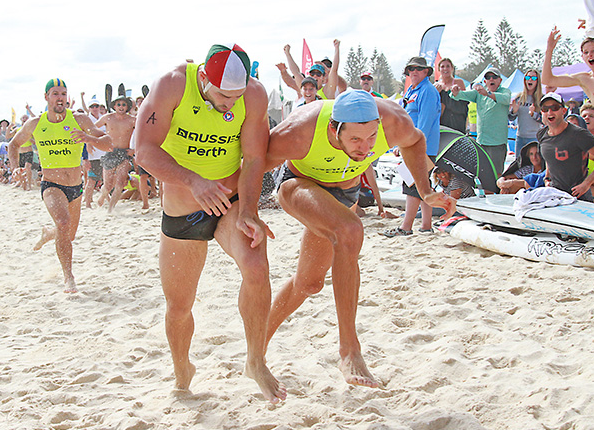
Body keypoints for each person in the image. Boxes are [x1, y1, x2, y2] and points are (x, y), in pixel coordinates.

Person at [264, 90, 456, 388]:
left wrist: (425, 189)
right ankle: (349, 350)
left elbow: (416, 140)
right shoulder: (299, 129)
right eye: (355, 140)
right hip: (297, 184)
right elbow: (251, 163)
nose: (365, 147)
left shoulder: (392, 122)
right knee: (350, 229)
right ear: (333, 129)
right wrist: (244, 212)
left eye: (370, 138)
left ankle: (256, 346)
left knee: (309, 283)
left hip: (344, 193)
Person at [134, 43, 286, 404]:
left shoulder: (253, 95)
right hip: (183, 208)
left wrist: (249, 210)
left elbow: (252, 158)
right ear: (203, 77)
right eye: (223, 96)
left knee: (255, 262)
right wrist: (193, 181)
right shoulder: (171, 86)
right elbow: (143, 150)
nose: (231, 104)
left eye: (237, 96)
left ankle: (255, 359)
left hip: (230, 201)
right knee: (180, 304)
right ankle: (182, 367)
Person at [8, 78, 113, 293]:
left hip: (75, 186)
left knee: (68, 234)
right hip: (51, 184)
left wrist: (88, 138)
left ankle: (49, 234)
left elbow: (109, 142)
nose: (60, 98)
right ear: (46, 97)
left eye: (63, 94)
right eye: (55, 93)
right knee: (64, 223)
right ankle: (69, 277)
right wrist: (14, 168)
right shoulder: (36, 124)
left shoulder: (80, 120)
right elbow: (14, 144)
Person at [384, 57, 440, 237]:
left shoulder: (428, 91)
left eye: (418, 69)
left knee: (413, 184)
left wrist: (411, 143)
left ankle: (406, 227)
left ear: (426, 72)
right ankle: (426, 225)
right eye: (410, 69)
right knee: (424, 184)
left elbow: (425, 121)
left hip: (421, 145)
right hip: (413, 143)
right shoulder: (411, 90)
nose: (413, 72)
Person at [536, 92, 594, 201]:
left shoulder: (578, 134)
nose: (550, 112)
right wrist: (547, 178)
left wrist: (586, 183)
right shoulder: (541, 134)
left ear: (564, 111)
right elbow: (549, 157)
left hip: (578, 197)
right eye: (545, 109)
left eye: (555, 108)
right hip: (555, 196)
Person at [450, 68, 511, 175]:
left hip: (497, 144)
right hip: (481, 142)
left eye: (494, 77)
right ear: (485, 81)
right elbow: (461, 95)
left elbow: (506, 99)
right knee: (482, 174)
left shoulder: (505, 91)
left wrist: (487, 93)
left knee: (497, 175)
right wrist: (455, 92)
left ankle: (498, 192)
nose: (491, 79)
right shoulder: (478, 93)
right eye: (488, 77)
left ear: (500, 80)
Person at [96, 94, 136, 212]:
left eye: (124, 105)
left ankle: (111, 209)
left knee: (120, 184)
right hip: (110, 152)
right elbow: (91, 129)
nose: (121, 107)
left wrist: (135, 150)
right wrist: (90, 143)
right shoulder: (107, 118)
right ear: (114, 106)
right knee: (108, 185)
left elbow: (143, 134)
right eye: (118, 104)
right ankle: (103, 196)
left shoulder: (132, 120)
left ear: (128, 107)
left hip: (124, 153)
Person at [509, 69, 544, 158]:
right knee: (518, 164)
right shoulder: (519, 97)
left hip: (534, 138)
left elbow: (544, 120)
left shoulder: (541, 98)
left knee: (535, 165)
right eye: (527, 77)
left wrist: (534, 114)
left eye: (533, 78)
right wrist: (514, 111)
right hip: (520, 137)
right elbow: (511, 118)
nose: (530, 80)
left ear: (537, 81)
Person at [434, 58, 469, 133]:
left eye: (447, 66)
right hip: (442, 122)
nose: (445, 69)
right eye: (442, 67)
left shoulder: (459, 82)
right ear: (439, 69)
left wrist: (457, 93)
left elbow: (464, 102)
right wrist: (436, 93)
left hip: (457, 121)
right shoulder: (436, 86)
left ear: (452, 68)